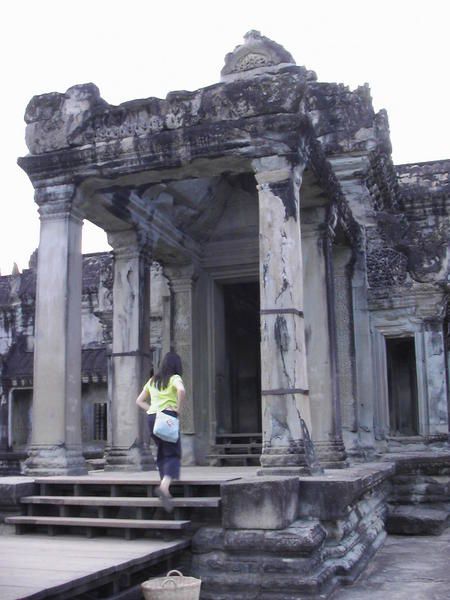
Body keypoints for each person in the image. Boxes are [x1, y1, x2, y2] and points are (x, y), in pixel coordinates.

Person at [135, 351, 186, 512]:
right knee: (173, 452)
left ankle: (165, 483)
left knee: (162, 451)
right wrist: (178, 409)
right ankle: (164, 487)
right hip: (168, 417)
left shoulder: (152, 380)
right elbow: (181, 391)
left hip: (152, 419)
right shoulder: (174, 378)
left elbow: (139, 401)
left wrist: (152, 409)